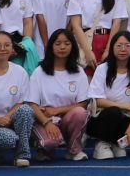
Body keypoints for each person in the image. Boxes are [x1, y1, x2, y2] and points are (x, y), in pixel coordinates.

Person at [27, 29, 90, 161]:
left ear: (72, 46)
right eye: (58, 43)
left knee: (80, 113)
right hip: (44, 119)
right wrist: (47, 123)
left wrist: (57, 110)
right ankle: (45, 150)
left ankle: (74, 149)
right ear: (51, 46)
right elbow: (32, 104)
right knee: (50, 143)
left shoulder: (79, 72)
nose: (62, 47)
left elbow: (83, 103)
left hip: (66, 118)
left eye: (67, 43)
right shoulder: (39, 72)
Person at [85, 31, 130, 160]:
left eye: (127, 45)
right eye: (119, 45)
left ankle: (115, 143)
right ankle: (102, 143)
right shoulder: (102, 69)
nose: (123, 49)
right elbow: (98, 101)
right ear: (112, 48)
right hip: (101, 118)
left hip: (125, 116)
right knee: (113, 112)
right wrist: (126, 106)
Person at [0, 30, 34, 166]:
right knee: (8, 139)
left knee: (26, 110)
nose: (2, 49)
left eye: (7, 45)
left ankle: (22, 155)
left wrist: (7, 117)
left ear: (12, 48)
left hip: (10, 118)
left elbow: (21, 101)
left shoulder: (20, 72)